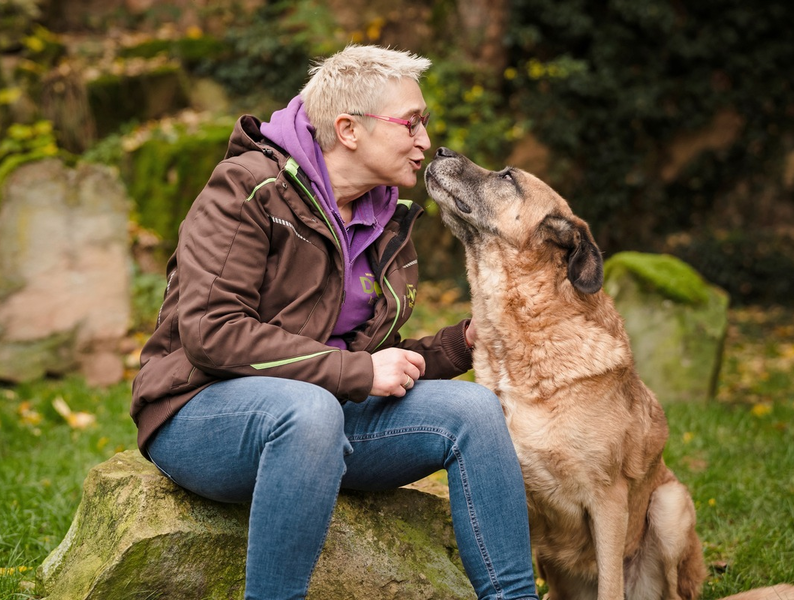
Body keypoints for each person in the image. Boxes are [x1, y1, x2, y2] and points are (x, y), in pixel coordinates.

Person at [131, 44, 539, 600]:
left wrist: (462, 343)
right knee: (311, 409)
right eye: (411, 123)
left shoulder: (385, 218)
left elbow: (370, 356)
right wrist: (353, 373)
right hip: (200, 411)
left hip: (323, 415)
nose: (426, 141)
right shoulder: (248, 188)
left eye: (426, 123)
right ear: (349, 129)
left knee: (473, 410)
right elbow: (210, 331)